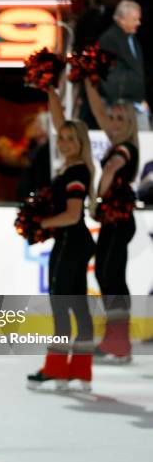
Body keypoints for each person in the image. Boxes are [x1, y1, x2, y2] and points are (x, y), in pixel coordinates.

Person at [27, 88, 96, 392]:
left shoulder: (76, 172)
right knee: (77, 307)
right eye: (63, 138)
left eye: (71, 139)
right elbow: (59, 122)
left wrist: (41, 222)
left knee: (63, 307)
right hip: (73, 243)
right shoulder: (74, 167)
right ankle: (79, 372)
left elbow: (71, 215)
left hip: (70, 243)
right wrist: (51, 91)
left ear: (81, 143)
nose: (64, 142)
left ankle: (57, 369)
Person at [85, 77, 139, 363]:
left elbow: (110, 172)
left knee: (111, 276)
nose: (114, 121)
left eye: (120, 118)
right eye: (114, 117)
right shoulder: (116, 139)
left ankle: (118, 343)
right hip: (113, 218)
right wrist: (88, 81)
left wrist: (96, 198)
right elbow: (97, 111)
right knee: (107, 275)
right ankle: (116, 340)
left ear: (129, 122)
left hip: (119, 218)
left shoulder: (124, 147)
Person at [98, 0, 149, 131]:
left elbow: (137, 71)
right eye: (135, 19)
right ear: (121, 20)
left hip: (136, 104)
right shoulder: (108, 40)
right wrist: (133, 100)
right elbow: (110, 77)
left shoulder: (132, 39)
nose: (139, 23)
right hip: (120, 108)